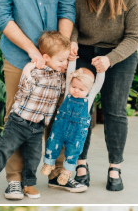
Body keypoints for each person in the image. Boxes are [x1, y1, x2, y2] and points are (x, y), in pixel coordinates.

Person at [0, 0, 77, 201]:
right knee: (17, 117)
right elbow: (1, 15)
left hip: (57, 61)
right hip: (19, 56)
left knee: (59, 117)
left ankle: (57, 173)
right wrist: (33, 51)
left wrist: (59, 52)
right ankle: (15, 180)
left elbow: (66, 8)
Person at [68, 0, 138, 193]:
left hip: (119, 54)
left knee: (114, 110)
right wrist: (72, 40)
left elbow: (135, 36)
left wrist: (110, 59)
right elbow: (70, 19)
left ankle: (115, 167)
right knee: (81, 107)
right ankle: (80, 163)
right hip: (84, 52)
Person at [0, 29, 73, 199]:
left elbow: (65, 92)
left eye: (66, 60)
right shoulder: (35, 72)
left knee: (34, 157)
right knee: (4, 149)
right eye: (61, 60)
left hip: (37, 125)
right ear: (46, 58)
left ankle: (29, 184)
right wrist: (28, 70)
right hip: (19, 121)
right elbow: (22, 92)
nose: (64, 63)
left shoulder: (59, 77)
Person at [41, 64, 104, 192]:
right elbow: (70, 73)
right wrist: (73, 59)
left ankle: (66, 172)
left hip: (76, 133)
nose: (76, 90)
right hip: (60, 128)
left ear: (89, 90)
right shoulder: (67, 95)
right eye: (74, 87)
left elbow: (98, 83)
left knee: (73, 152)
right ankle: (49, 162)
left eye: (81, 89)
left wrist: (101, 71)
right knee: (52, 143)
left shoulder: (89, 98)